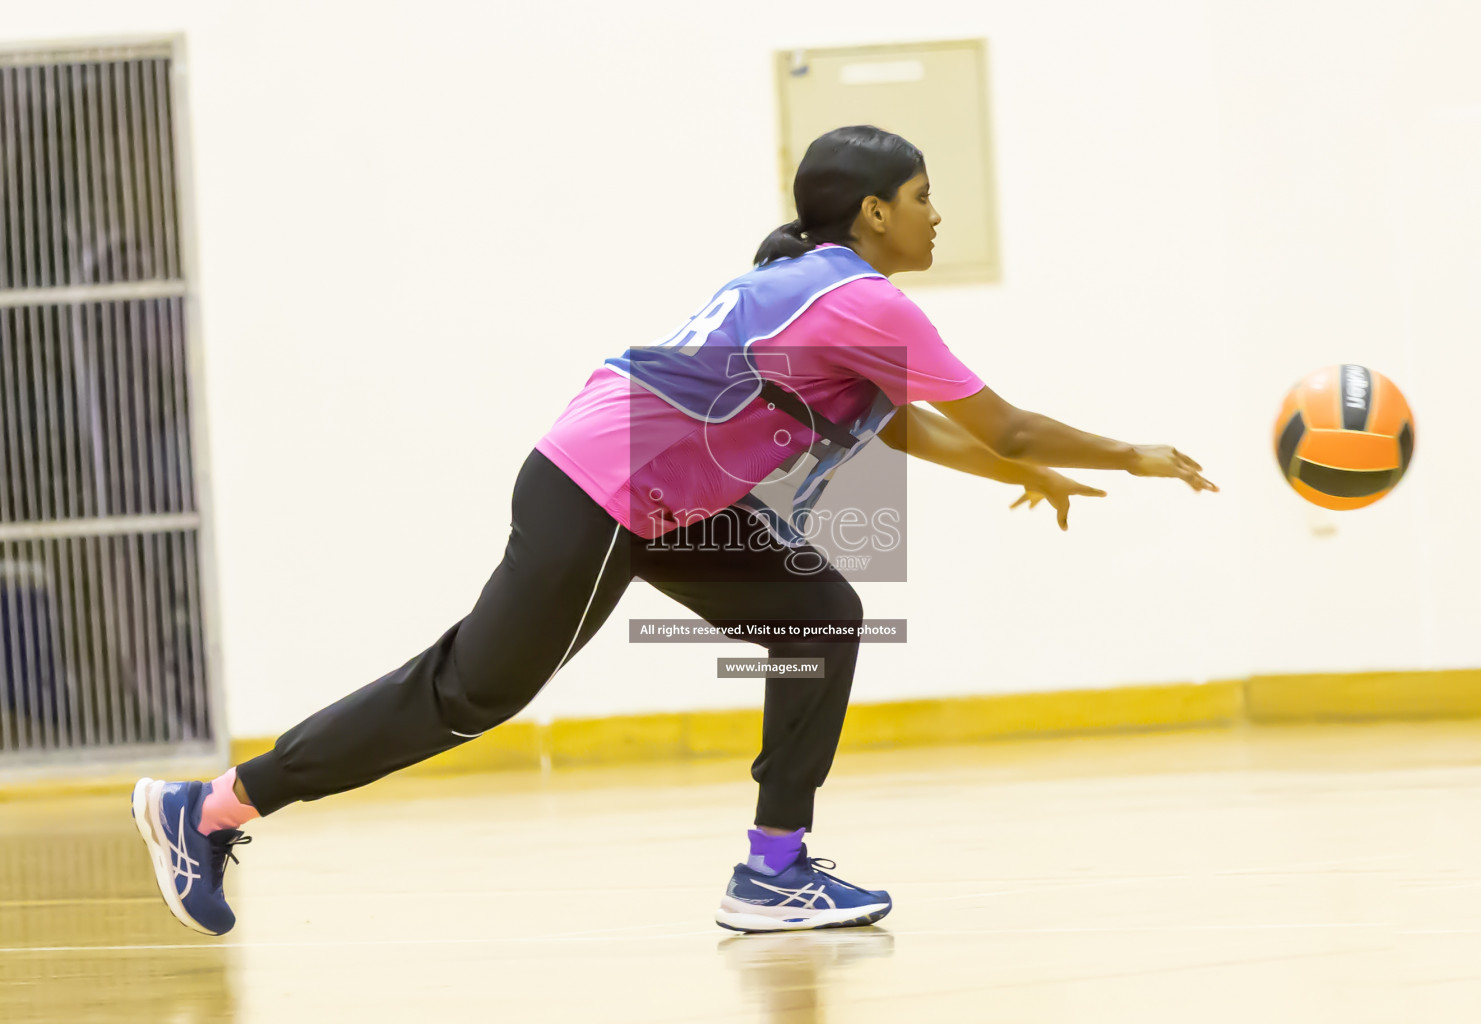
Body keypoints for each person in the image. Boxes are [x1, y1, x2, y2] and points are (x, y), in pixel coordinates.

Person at [130, 125, 1216, 937]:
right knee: (470, 690)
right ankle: (213, 805)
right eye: (924, 197)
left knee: (821, 614)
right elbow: (1008, 419)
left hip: (658, 500)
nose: (939, 217)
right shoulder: (860, 299)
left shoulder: (821, 292)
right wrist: (1132, 454)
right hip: (607, 489)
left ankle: (774, 866)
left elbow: (914, 428)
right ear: (873, 212)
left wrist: (1019, 474)